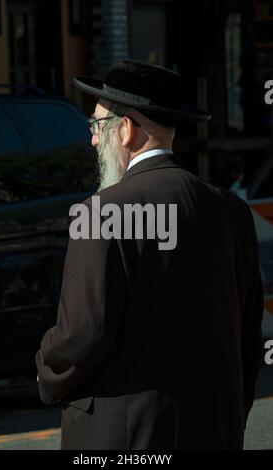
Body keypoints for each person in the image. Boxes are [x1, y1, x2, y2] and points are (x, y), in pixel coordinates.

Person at [35, 59, 264, 450]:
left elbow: (82, 334)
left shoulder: (103, 211)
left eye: (96, 125)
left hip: (125, 438)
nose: (92, 140)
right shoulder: (231, 209)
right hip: (215, 429)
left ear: (125, 130)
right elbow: (248, 331)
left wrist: (45, 369)